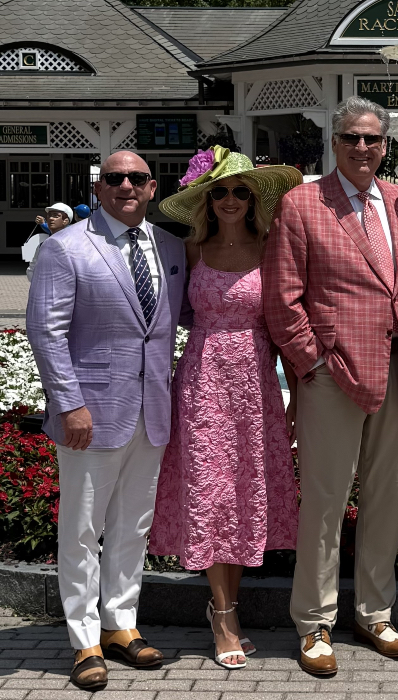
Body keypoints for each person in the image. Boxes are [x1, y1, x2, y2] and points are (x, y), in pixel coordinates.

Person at [263, 96, 398, 677]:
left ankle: (375, 613)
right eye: (352, 138)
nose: (363, 148)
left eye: (373, 140)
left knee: (386, 500)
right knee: (326, 503)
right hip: (334, 374)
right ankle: (313, 622)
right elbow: (282, 298)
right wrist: (311, 366)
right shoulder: (303, 204)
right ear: (334, 143)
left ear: (387, 145)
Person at [26, 152, 187, 691]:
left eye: (136, 178)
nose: (125, 185)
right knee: (81, 529)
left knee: (132, 526)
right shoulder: (65, 247)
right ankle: (84, 639)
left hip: (152, 411)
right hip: (90, 414)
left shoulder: (169, 248)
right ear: (98, 187)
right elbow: (47, 332)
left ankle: (122, 624)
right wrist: (68, 403)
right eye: (114, 178)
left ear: (152, 187)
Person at [148, 146, 302, 670]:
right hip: (203, 378)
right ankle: (223, 614)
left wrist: (299, 393)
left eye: (241, 191)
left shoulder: (272, 246)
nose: (231, 199)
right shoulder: (191, 250)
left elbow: (286, 323)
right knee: (211, 492)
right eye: (221, 192)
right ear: (207, 200)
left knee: (243, 492)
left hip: (257, 382)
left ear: (254, 199)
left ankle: (227, 604)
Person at [25, 203, 74, 283]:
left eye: (56, 216)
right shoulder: (42, 246)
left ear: (65, 220)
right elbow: (32, 270)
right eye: (49, 215)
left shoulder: (73, 244)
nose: (51, 218)